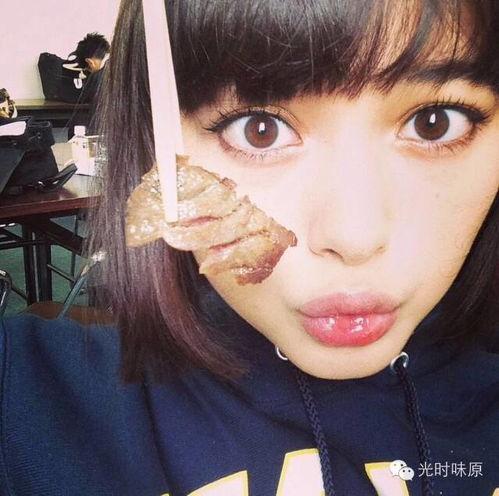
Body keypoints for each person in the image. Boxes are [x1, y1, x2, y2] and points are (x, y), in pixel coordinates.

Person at [1, 1, 498, 495]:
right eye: (261, 130)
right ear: (155, 144)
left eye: (435, 122)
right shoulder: (34, 405)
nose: (355, 238)